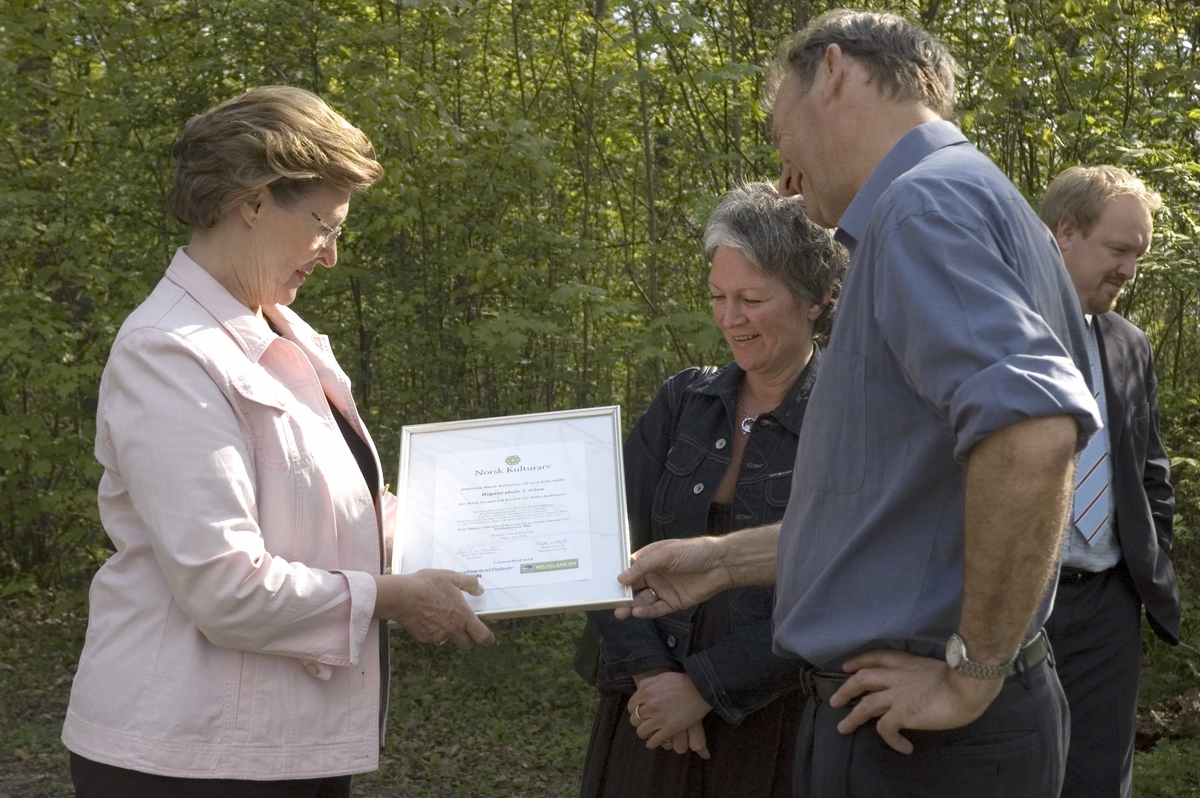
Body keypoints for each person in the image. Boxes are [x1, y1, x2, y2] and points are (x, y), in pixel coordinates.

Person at [614, 11, 1105, 798]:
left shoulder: (923, 207)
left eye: (781, 135)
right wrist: (724, 560)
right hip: (928, 725)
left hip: (919, 739)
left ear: (834, 71)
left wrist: (970, 674)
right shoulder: (981, 198)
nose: (785, 178)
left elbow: (1033, 433)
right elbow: (907, 511)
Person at [61, 86, 494, 798]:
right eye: (325, 225)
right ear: (253, 201)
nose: (330, 256)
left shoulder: (290, 335)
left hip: (285, 745)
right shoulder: (167, 351)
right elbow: (225, 586)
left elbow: (349, 512)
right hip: (184, 757)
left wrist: (507, 545)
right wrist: (393, 598)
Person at [578, 183, 847, 798]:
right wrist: (653, 677)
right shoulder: (683, 401)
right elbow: (599, 540)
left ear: (817, 299)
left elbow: (840, 582)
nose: (729, 319)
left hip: (774, 721)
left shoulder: (851, 420)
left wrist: (702, 686)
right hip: (646, 714)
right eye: (718, 297)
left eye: (751, 298)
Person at [1039, 165, 1180, 798]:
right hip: (1013, 603)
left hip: (1107, 610)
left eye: (1138, 257)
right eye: (1119, 250)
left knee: (1096, 782)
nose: (1129, 270)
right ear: (1065, 233)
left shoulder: (1130, 344)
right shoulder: (998, 329)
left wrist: (1149, 565)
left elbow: (1150, 468)